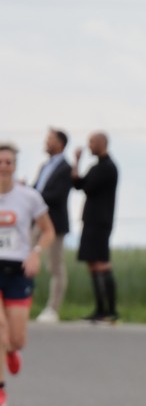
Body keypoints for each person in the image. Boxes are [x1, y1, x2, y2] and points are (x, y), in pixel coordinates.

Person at [0, 142, 56, 406]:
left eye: (8, 162)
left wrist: (35, 253)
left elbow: (48, 231)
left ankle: (12, 351)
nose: (3, 166)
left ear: (15, 166)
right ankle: (1, 389)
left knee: (16, 338)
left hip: (18, 271)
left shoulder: (28, 197)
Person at [72, 132, 119, 322]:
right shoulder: (96, 166)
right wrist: (77, 161)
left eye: (91, 142)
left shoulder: (108, 167)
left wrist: (81, 176)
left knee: (101, 263)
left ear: (102, 143)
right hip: (91, 221)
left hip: (100, 222)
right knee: (92, 264)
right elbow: (77, 183)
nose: (89, 146)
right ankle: (100, 309)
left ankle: (110, 311)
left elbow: (87, 186)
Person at [33, 129, 72, 323]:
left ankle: (52, 309)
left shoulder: (66, 168)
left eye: (50, 140)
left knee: (55, 265)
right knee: (21, 257)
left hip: (55, 223)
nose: (46, 142)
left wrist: (32, 196)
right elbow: (36, 188)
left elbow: (56, 195)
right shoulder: (44, 166)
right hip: (36, 221)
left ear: (60, 143)